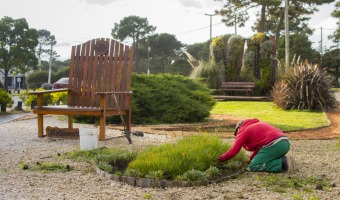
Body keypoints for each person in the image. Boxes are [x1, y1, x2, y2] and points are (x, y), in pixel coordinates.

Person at [218, 118, 296, 172]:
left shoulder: (244, 130)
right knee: (256, 161)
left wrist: (221, 158)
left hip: (275, 145)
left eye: (236, 133)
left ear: (238, 128)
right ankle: (285, 160)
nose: (237, 135)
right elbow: (260, 148)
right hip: (285, 144)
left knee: (254, 166)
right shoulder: (256, 125)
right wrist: (251, 159)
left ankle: (283, 162)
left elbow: (233, 151)